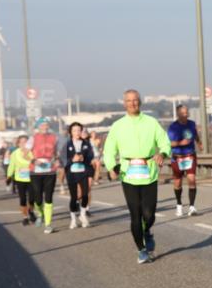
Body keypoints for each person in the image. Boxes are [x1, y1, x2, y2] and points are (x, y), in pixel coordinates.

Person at [102, 89, 171, 264]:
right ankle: (141, 250)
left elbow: (164, 142)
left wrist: (162, 154)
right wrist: (111, 166)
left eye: (135, 100)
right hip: (128, 173)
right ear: (124, 103)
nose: (132, 103)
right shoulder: (118, 125)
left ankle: (147, 231)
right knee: (135, 214)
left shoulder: (151, 122)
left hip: (149, 173)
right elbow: (109, 149)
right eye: (129, 101)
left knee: (149, 214)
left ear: (140, 102)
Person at [167, 104, 202, 216]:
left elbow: (195, 135)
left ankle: (192, 207)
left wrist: (199, 143)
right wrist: (179, 143)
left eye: (186, 112)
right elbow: (168, 144)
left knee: (192, 179)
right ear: (178, 114)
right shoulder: (173, 127)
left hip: (190, 155)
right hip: (177, 157)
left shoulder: (191, 124)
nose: (185, 114)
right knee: (177, 182)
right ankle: (179, 205)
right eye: (183, 113)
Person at [28, 117, 60, 234]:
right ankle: (40, 214)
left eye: (46, 125)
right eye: (42, 125)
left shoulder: (53, 137)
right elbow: (25, 153)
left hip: (50, 170)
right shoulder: (33, 138)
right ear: (38, 127)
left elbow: (56, 153)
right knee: (37, 197)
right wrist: (33, 161)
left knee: (48, 197)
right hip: (36, 171)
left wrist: (56, 160)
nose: (44, 127)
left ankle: (48, 224)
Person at [62, 122, 94, 229]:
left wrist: (84, 159)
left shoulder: (86, 143)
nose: (77, 132)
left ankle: (82, 214)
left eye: (79, 130)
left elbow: (90, 156)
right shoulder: (67, 144)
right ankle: (73, 219)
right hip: (71, 173)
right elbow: (63, 159)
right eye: (74, 130)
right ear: (70, 132)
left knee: (85, 195)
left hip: (83, 172)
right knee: (74, 197)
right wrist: (72, 160)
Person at [7, 135, 36, 226]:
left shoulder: (32, 152)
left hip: (32, 178)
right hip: (20, 179)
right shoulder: (15, 153)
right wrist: (9, 176)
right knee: (22, 199)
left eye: (25, 142)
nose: (23, 144)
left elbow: (36, 163)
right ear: (18, 144)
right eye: (21, 142)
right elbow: (12, 165)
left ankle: (31, 211)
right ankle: (25, 217)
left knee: (31, 199)